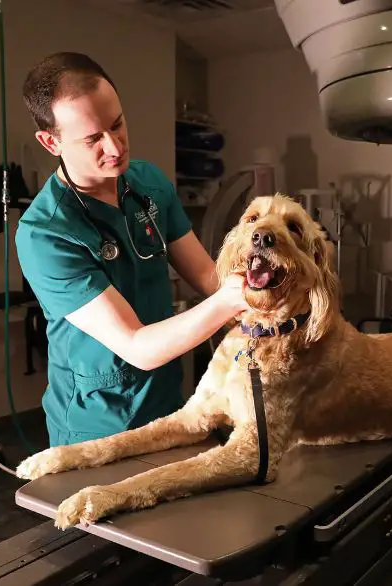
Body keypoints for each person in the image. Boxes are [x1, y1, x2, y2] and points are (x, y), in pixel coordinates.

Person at [14, 52, 248, 448]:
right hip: (99, 425)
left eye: (118, 124)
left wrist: (259, 295)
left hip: (168, 404)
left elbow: (209, 278)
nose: (114, 146)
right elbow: (136, 346)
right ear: (50, 141)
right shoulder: (45, 234)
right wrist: (232, 300)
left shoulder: (148, 184)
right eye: (92, 139)